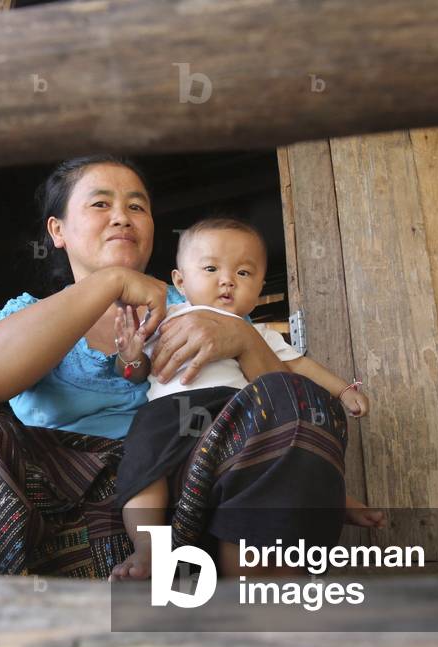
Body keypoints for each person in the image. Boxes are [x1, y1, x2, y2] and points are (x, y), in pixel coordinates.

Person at [0, 154, 370, 578]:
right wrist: (108, 283)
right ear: (57, 230)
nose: (122, 216)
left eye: (137, 206)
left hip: (173, 494)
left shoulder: (202, 311)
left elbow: (277, 406)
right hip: (27, 501)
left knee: (304, 402)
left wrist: (241, 337)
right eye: (100, 204)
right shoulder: (28, 313)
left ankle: (260, 608)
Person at [109, 217, 385, 581]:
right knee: (143, 469)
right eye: (211, 268)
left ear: (259, 285)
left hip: (236, 414)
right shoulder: (165, 319)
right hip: (170, 414)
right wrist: (129, 356)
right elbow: (136, 371)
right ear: (180, 281)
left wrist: (344, 390)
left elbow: (302, 367)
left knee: (283, 447)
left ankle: (335, 497)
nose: (227, 280)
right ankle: (148, 549)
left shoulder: (260, 335)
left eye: (243, 272)